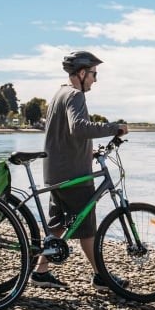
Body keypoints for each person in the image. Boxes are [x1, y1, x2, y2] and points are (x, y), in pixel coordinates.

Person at [31, 50, 128, 291]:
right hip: (74, 175)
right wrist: (114, 127)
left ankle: (40, 271)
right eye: (94, 74)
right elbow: (79, 127)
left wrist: (89, 151)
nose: (95, 79)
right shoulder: (75, 95)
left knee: (58, 225)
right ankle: (100, 276)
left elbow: (64, 134)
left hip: (55, 170)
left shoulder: (58, 95)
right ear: (82, 73)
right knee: (88, 228)